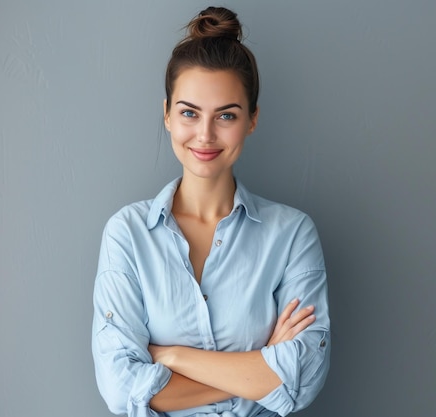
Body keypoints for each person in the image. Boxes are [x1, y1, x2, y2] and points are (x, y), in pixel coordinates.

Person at [91, 6, 330, 417]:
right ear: (167, 114)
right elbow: (120, 390)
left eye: (226, 115)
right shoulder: (127, 233)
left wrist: (172, 357)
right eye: (189, 112)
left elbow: (303, 377)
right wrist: (259, 368)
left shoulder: (292, 234)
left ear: (252, 119)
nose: (205, 134)